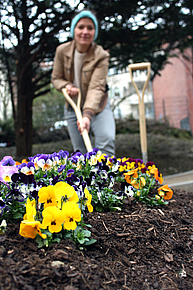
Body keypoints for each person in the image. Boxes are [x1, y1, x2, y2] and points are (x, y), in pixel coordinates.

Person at [51, 10, 115, 156]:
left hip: (99, 105)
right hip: (73, 106)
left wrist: (87, 115)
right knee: (80, 153)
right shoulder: (62, 51)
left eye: (90, 28)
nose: (85, 32)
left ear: (95, 31)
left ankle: (106, 177)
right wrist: (65, 86)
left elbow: (96, 87)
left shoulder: (101, 55)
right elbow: (56, 78)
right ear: (74, 30)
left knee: (106, 140)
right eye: (80, 27)